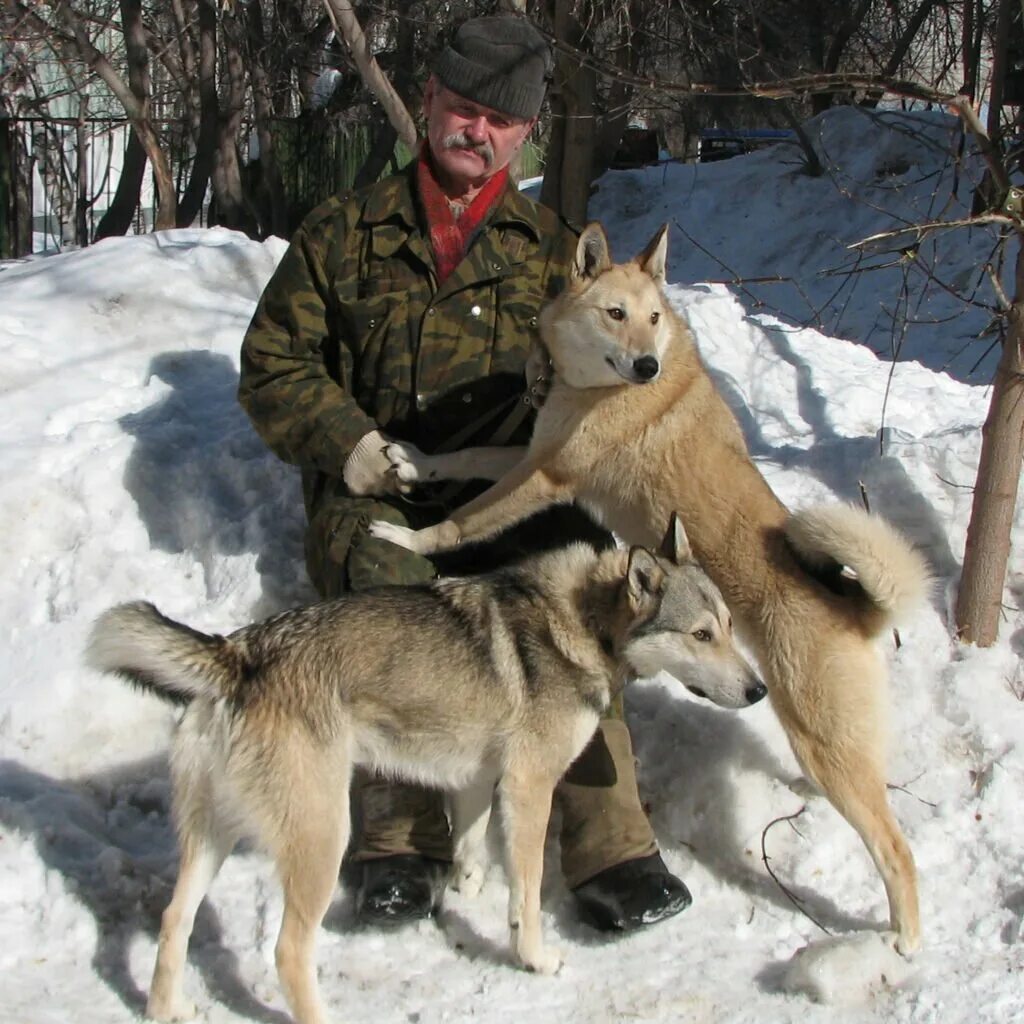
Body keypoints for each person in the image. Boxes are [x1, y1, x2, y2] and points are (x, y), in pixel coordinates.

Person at [238, 12, 690, 934]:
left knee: (588, 584)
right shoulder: (343, 233)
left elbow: (622, 370)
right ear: (429, 100)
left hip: (506, 488)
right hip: (381, 486)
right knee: (385, 583)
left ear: (525, 134)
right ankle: (401, 839)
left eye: (500, 120)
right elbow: (272, 365)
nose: (475, 132)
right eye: (462, 108)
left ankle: (611, 843)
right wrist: (345, 439)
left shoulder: (556, 254)